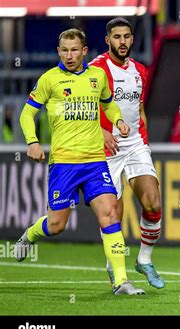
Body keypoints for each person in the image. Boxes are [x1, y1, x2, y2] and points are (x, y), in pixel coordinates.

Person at [14, 28, 144, 295]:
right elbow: (27, 114)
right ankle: (31, 234)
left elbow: (108, 104)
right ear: (58, 51)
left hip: (96, 161)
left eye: (74, 50)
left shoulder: (97, 76)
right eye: (64, 50)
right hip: (64, 164)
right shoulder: (49, 79)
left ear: (84, 51)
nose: (69, 55)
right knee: (57, 225)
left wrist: (118, 119)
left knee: (109, 213)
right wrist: (32, 141)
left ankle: (121, 281)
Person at [89, 18, 164, 289]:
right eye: (117, 37)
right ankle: (115, 267)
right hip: (105, 149)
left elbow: (139, 109)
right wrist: (102, 132)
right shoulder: (95, 69)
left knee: (153, 202)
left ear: (132, 39)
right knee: (113, 215)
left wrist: (145, 143)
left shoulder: (140, 71)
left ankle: (144, 259)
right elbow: (86, 108)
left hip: (135, 144)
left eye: (127, 36)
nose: (122, 42)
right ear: (108, 40)